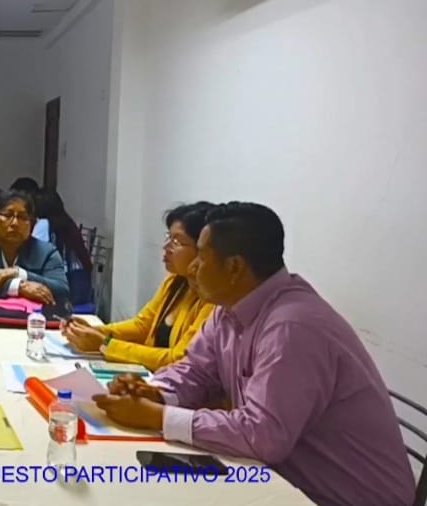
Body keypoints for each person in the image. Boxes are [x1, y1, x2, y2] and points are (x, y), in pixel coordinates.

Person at [93, 202, 415, 506]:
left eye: (201, 256)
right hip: (283, 480)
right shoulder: (228, 309)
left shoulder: (292, 327)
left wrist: (158, 417)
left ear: (234, 267)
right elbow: (197, 370)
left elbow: (263, 435)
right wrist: (155, 393)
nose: (192, 267)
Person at [61, 202, 215, 371]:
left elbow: (178, 358)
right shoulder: (175, 281)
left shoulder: (213, 300)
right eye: (168, 237)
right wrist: (91, 332)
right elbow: (142, 326)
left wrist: (105, 344)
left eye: (177, 241)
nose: (166, 247)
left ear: (202, 249)